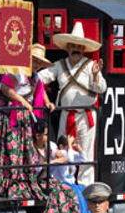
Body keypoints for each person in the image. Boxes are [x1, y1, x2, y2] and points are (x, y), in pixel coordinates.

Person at [38, 22, 107, 185]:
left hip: (86, 116)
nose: (76, 49)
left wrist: (96, 76)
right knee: (63, 151)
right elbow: (41, 77)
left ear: (83, 49)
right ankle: (63, 184)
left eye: (79, 46)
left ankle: (85, 187)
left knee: (86, 153)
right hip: (65, 114)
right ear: (67, 48)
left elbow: (102, 88)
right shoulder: (60, 65)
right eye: (73, 46)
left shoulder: (91, 66)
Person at [0, 44, 55, 199]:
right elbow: (5, 89)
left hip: (24, 116)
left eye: (40, 62)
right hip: (10, 116)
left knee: (25, 150)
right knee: (11, 149)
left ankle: (24, 181)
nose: (37, 65)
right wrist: (22, 101)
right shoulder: (17, 71)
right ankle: (9, 183)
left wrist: (47, 103)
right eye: (34, 60)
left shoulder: (35, 77)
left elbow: (39, 90)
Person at [31, 120, 82, 213]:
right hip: (35, 182)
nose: (48, 138)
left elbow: (63, 158)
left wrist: (50, 162)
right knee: (56, 194)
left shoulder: (51, 146)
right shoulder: (30, 149)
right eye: (46, 134)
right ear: (38, 135)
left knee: (69, 191)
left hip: (48, 180)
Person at [53, 135, 92, 213]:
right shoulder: (60, 154)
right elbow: (69, 159)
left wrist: (78, 148)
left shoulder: (70, 152)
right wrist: (70, 146)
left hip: (71, 184)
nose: (69, 146)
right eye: (67, 144)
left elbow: (84, 160)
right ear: (61, 146)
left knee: (85, 191)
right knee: (77, 193)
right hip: (61, 183)